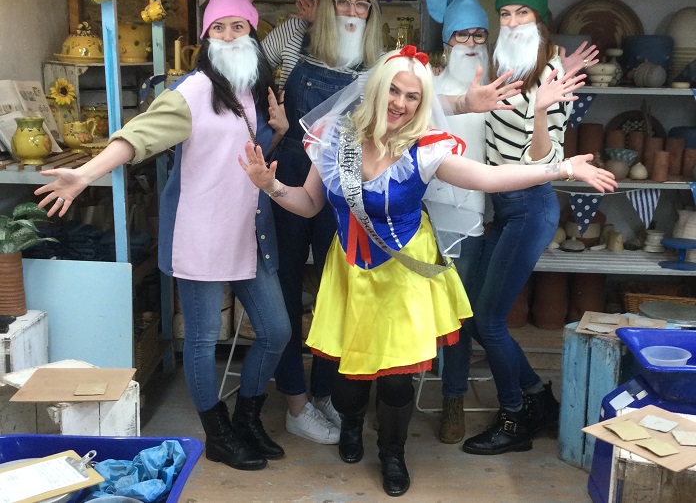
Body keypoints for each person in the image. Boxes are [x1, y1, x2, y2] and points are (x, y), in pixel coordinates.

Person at [239, 45, 616, 496]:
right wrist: (273, 186)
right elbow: (309, 204)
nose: (400, 103)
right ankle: (354, 424)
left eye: (413, 96)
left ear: (422, 103)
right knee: (347, 384)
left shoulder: (424, 150)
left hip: (403, 272)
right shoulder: (335, 138)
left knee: (398, 382)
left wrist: (563, 169)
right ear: (376, 91)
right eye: (393, 91)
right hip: (350, 273)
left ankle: (393, 453)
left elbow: (489, 178)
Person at [34, 0, 292, 472]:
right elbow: (138, 136)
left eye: (237, 25)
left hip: (249, 231)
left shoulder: (252, 86)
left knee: (277, 330)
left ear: (251, 29)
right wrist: (86, 172)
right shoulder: (193, 91)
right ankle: (216, 433)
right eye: (218, 27)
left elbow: (245, 155)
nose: (229, 34)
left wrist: (279, 130)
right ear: (207, 38)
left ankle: (247, 419)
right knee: (200, 338)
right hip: (201, 231)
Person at [460, 0, 597, 456]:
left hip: (531, 204)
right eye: (507, 14)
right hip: (499, 205)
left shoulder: (552, 75)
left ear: (541, 21)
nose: (514, 22)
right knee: (476, 317)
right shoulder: (501, 67)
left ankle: (516, 420)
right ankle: (539, 398)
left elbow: (545, 159)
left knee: (491, 321)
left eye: (523, 14)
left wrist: (542, 111)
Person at [259, 0, 394, 445]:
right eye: (343, 2)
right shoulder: (296, 38)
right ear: (326, 4)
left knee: (338, 290)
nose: (352, 12)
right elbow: (247, 60)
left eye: (362, 5)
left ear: (372, 13)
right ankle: (295, 403)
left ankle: (324, 397)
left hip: (345, 180)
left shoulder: (378, 64)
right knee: (289, 288)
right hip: (293, 172)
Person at [423, 0, 521, 445]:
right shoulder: (425, 88)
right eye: (461, 35)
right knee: (411, 311)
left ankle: (453, 397)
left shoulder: (501, 92)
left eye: (478, 35)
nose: (470, 43)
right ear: (446, 42)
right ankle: (394, 392)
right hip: (421, 219)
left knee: (459, 317)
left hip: (475, 221)